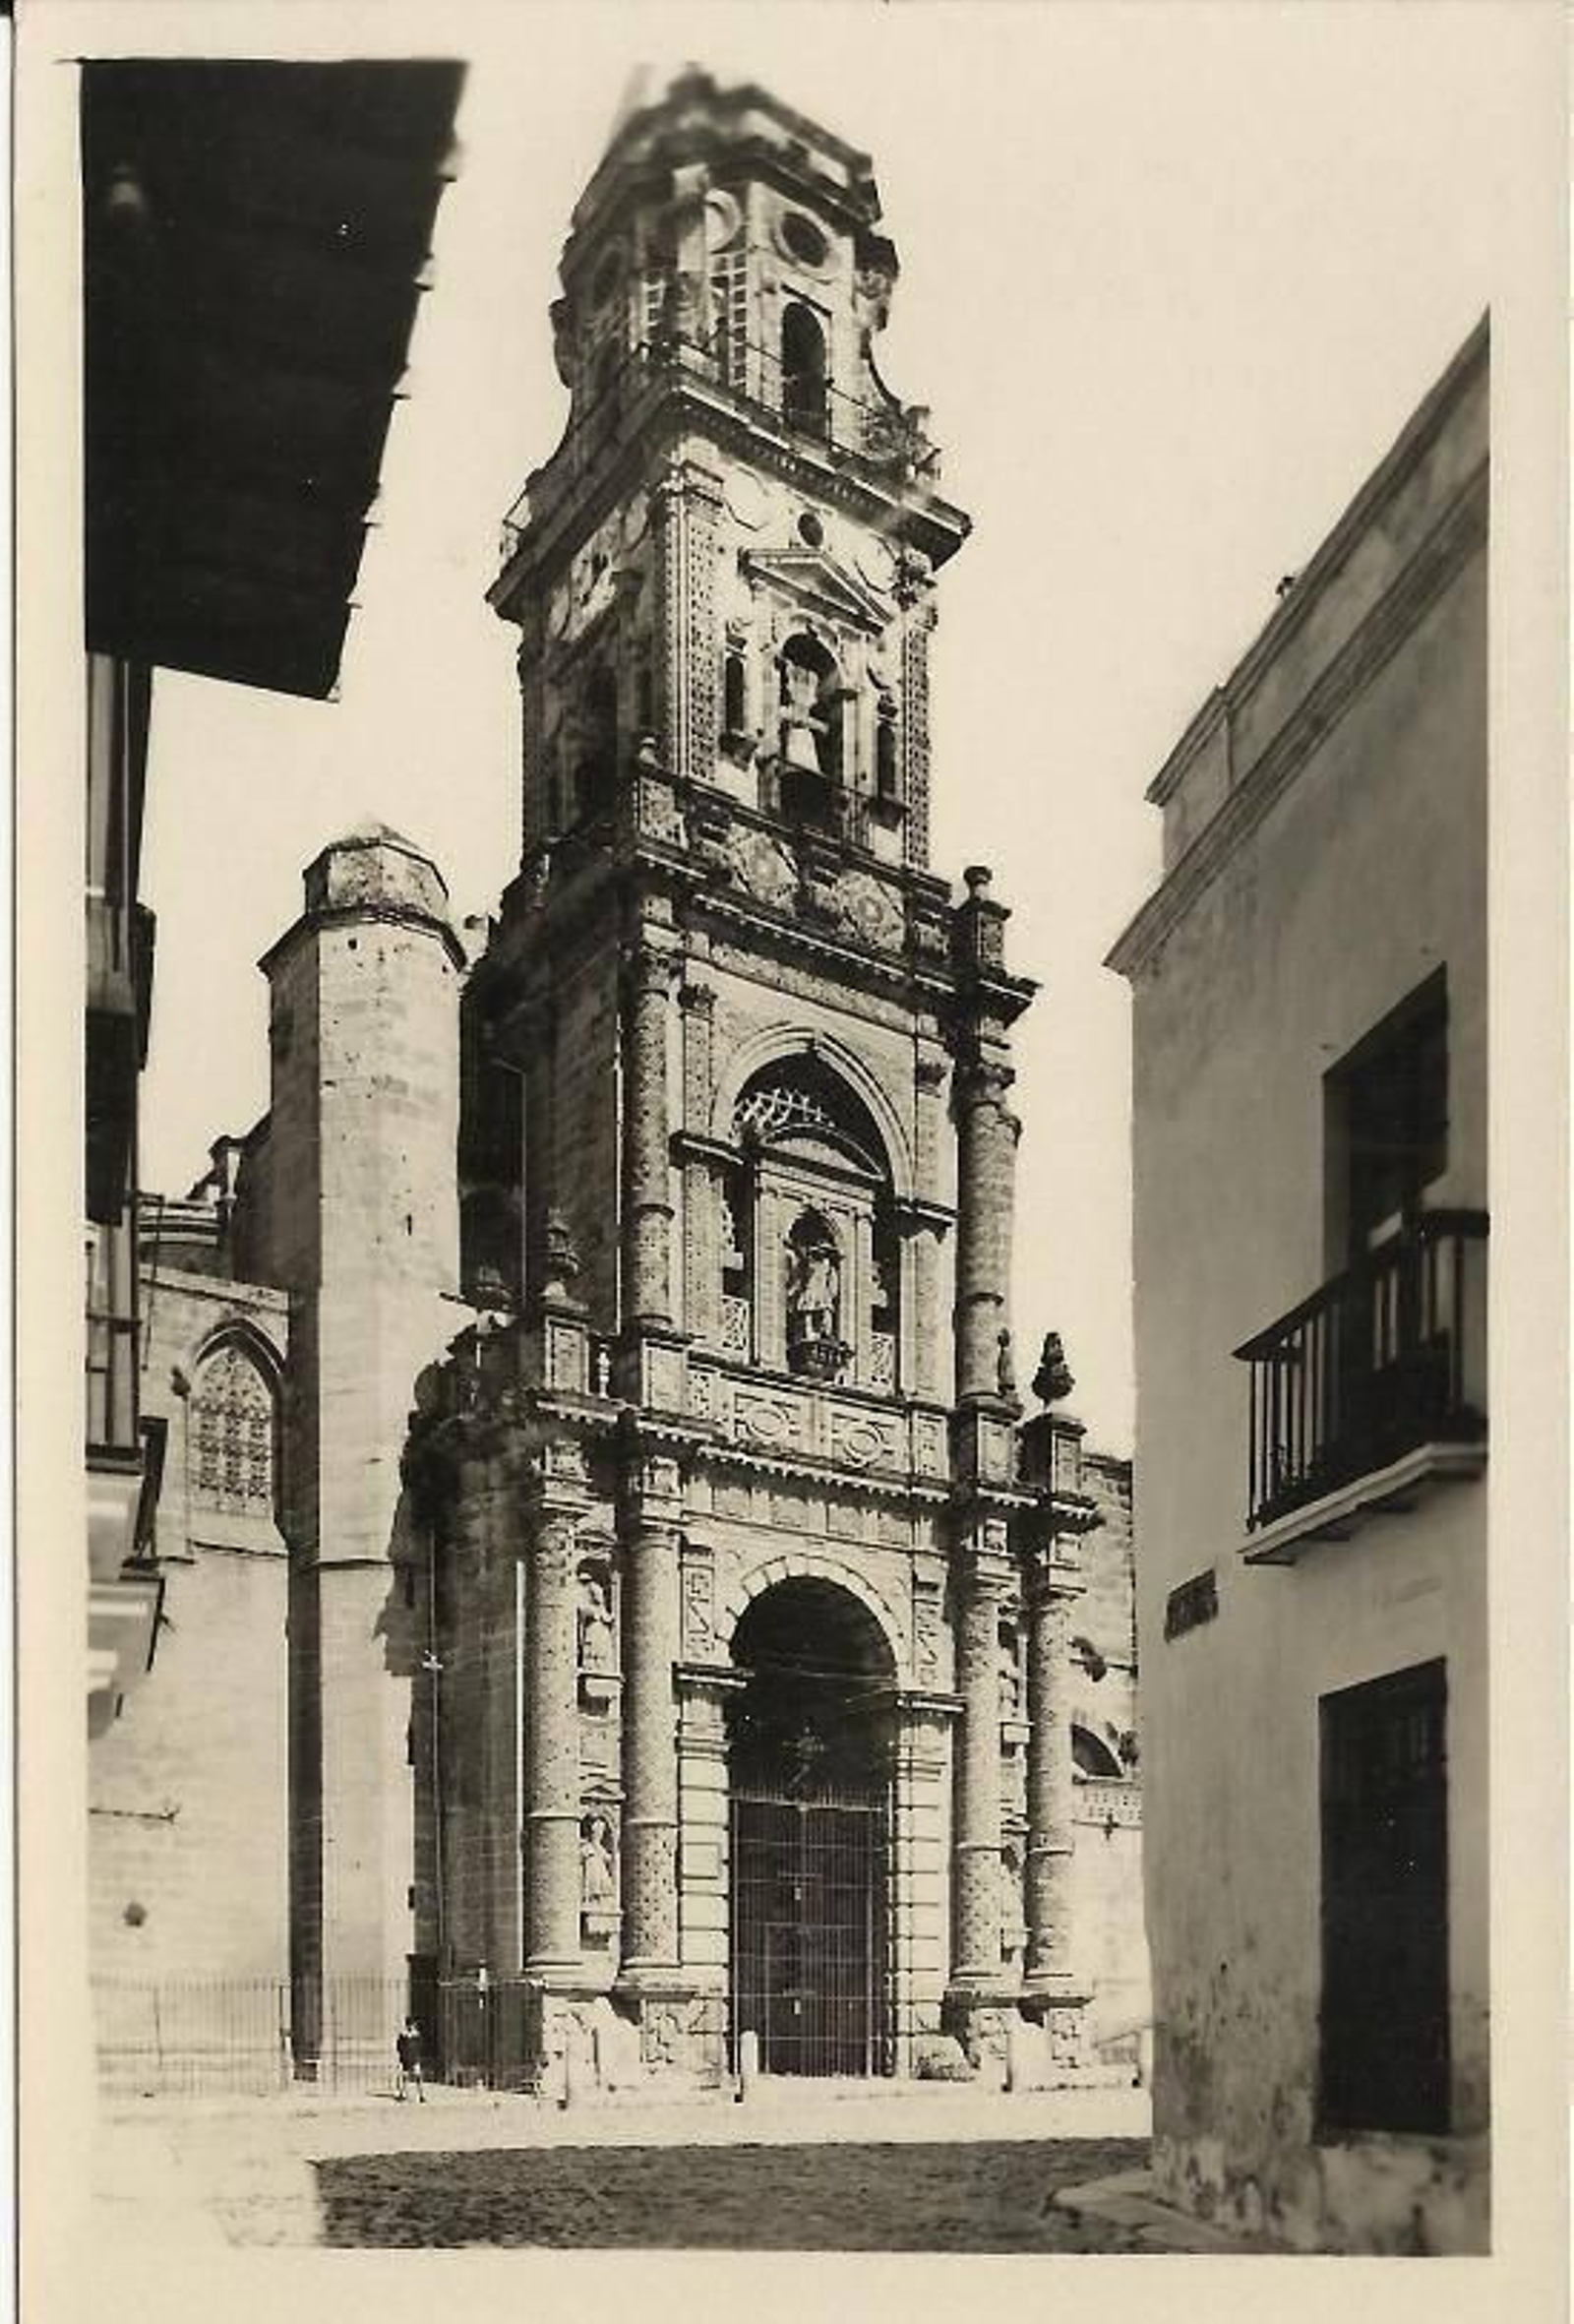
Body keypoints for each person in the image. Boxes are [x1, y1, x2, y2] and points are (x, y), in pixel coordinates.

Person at [395, 2016, 426, 2104]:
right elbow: (399, 2046)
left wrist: (417, 2055)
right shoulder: (403, 2035)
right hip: (406, 2058)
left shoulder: (416, 2035)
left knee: (418, 2077)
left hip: (414, 2058)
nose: (411, 2026)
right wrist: (402, 2055)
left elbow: (420, 2046)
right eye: (410, 2025)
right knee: (404, 2077)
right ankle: (402, 2093)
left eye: (412, 2025)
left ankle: (421, 2095)